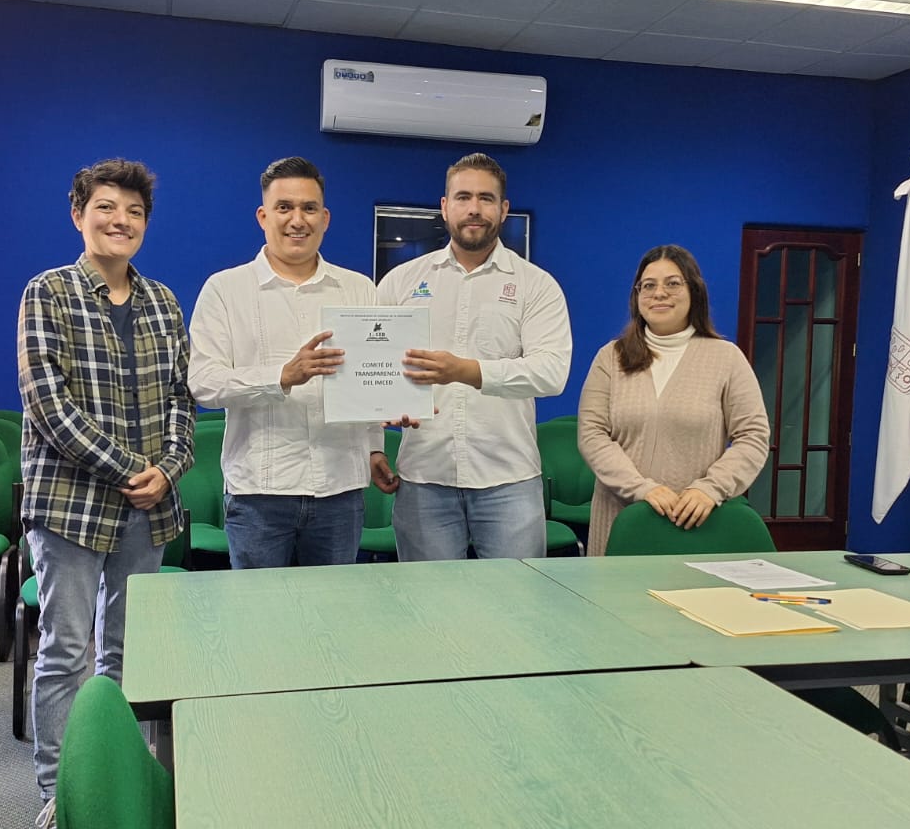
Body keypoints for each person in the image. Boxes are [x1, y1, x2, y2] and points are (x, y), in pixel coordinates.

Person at [17, 158, 195, 829]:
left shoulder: (163, 302)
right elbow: (48, 404)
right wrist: (129, 469)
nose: (121, 221)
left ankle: (114, 780)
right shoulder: (47, 293)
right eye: (107, 208)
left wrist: (169, 469)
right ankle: (60, 800)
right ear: (78, 215)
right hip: (69, 505)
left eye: (134, 212)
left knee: (126, 652)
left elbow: (182, 399)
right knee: (65, 651)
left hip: (147, 508)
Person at [188, 156, 393, 567]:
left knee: (334, 605)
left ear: (325, 218)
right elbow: (204, 383)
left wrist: (375, 448)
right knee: (260, 607)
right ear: (263, 216)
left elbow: (371, 379)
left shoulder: (359, 289)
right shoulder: (225, 290)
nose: (297, 220)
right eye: (284, 207)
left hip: (340, 490)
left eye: (309, 208)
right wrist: (281, 376)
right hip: (259, 494)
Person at [374, 152, 571, 561]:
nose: (474, 208)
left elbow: (551, 373)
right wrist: (375, 443)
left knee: (514, 598)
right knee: (429, 599)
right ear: (445, 207)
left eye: (486, 198)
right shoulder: (401, 282)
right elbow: (373, 369)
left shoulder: (537, 286)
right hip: (425, 476)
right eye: (463, 197)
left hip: (509, 480)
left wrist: (466, 371)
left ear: (503, 209)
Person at [577, 244, 769, 557]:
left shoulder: (726, 358)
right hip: (620, 517)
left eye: (673, 283)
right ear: (637, 296)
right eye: (648, 285)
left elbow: (753, 436)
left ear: (694, 291)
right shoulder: (610, 357)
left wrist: (711, 488)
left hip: (696, 519)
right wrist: (642, 488)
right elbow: (592, 434)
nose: (659, 293)